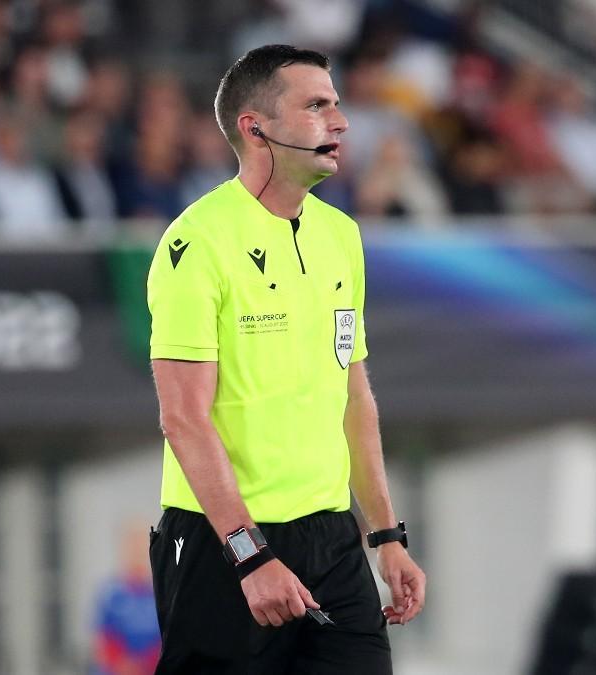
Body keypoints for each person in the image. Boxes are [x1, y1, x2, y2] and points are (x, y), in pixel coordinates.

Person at [145, 44, 426, 674]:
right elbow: (184, 419)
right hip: (224, 545)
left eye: (337, 103)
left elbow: (352, 395)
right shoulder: (196, 243)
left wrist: (384, 535)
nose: (341, 121)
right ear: (256, 129)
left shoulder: (341, 236)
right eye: (316, 105)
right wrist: (251, 556)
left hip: (331, 540)